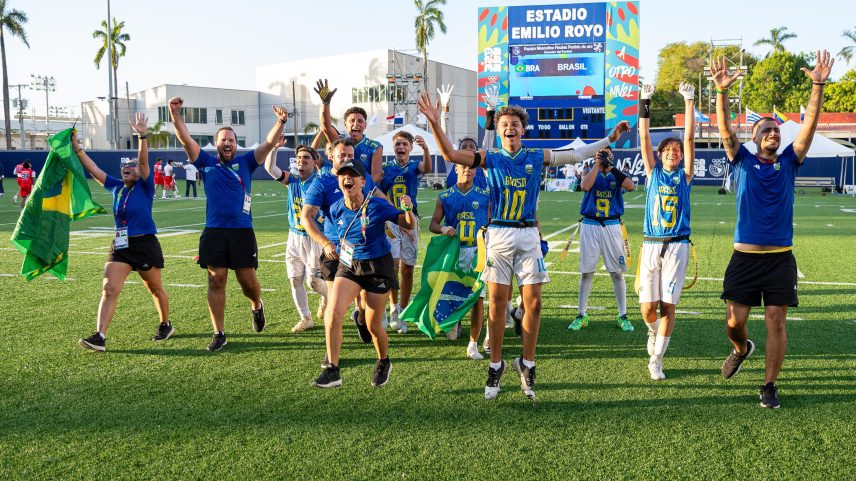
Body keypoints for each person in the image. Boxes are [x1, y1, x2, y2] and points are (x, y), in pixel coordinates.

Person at [419, 91, 629, 400]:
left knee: (534, 303)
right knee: (498, 304)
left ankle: (526, 364)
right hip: (500, 236)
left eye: (515, 123)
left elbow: (574, 155)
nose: (509, 128)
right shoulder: (490, 158)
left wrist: (609, 138)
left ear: (523, 128)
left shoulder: (535, 155)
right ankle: (496, 366)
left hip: (529, 234)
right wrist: (436, 123)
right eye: (504, 123)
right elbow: (451, 155)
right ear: (499, 128)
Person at [712, 51, 833, 409]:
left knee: (776, 321)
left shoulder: (789, 161)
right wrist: (721, 94)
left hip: (780, 259)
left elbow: (808, 126)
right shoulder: (742, 159)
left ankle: (768, 385)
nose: (773, 132)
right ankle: (740, 348)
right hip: (744, 257)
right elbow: (724, 131)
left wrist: (817, 85)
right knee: (734, 323)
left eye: (776, 129)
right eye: (766, 129)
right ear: (754, 138)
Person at [169, 96, 288, 351]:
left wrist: (281, 121)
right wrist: (175, 114)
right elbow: (185, 139)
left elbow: (268, 143)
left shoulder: (246, 162)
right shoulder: (205, 161)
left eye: (231, 140)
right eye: (223, 140)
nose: (227, 143)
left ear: (236, 144)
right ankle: (219, 332)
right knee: (216, 280)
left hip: (242, 232)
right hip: (214, 231)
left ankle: (256, 305)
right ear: (216, 144)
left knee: (248, 282)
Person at [311, 159, 416, 388]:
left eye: (352, 175)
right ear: (339, 182)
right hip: (350, 265)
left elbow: (407, 224)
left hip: (377, 266)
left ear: (362, 181)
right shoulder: (336, 207)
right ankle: (333, 371)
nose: (347, 178)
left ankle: (383, 361)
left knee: (373, 325)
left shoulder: (377, 205)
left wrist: (408, 209)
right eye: (343, 175)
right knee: (333, 312)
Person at [74, 113, 173, 351]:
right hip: (121, 246)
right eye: (124, 166)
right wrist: (78, 150)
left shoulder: (146, 186)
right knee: (109, 288)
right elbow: (94, 169)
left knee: (155, 288)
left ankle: (165, 323)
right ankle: (100, 336)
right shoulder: (116, 187)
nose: (127, 168)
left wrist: (141, 135)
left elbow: (143, 162)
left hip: (144, 244)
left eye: (131, 166)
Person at [637, 82, 696, 381]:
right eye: (668, 149)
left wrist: (689, 101)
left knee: (668, 306)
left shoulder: (686, 177)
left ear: (682, 156)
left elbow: (688, 136)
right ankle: (653, 331)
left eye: (677, 150)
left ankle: (657, 360)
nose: (673, 151)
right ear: (660, 156)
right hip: (650, 244)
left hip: (677, 245)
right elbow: (644, 135)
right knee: (649, 311)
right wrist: (644, 99)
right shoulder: (652, 172)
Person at [302, 138, 379, 347]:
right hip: (335, 251)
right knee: (335, 306)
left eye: (350, 156)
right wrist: (326, 243)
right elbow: (306, 217)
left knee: (364, 299)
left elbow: (380, 200)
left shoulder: (363, 178)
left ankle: (361, 319)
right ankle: (331, 354)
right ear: (331, 157)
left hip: (362, 249)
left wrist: (400, 218)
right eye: (341, 156)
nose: (346, 160)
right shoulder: (322, 183)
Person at [568, 146, 636, 333]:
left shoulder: (616, 174)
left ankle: (622, 315)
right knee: (587, 272)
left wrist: (611, 167)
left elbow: (630, 186)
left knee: (616, 273)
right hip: (591, 224)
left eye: (608, 154)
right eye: (601, 154)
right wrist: (598, 165)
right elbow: (584, 186)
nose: (605, 156)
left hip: (612, 225)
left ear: (613, 156)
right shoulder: (591, 171)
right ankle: (582, 314)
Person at [264, 139, 328, 333]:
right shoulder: (291, 179)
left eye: (306, 158)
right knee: (295, 279)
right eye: (299, 158)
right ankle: (305, 318)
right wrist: (274, 148)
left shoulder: (320, 183)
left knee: (314, 282)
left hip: (313, 236)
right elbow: (270, 167)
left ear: (315, 161)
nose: (301, 161)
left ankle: (329, 297)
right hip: (293, 236)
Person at [429, 162, 491, 359]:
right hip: (454, 254)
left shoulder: (484, 196)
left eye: (472, 167)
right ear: (455, 169)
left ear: (476, 170)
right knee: (452, 293)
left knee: (477, 299)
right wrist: (443, 229)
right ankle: (454, 321)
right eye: (463, 166)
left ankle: (473, 344)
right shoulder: (445, 197)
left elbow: (491, 224)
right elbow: (433, 224)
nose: (467, 169)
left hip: (477, 254)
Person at [380, 131, 432, 333]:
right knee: (392, 265)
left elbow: (426, 167)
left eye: (404, 144)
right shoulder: (386, 169)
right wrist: (395, 214)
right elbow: (380, 192)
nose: (401, 148)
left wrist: (426, 149)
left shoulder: (413, 166)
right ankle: (393, 308)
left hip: (411, 220)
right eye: (398, 144)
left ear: (411, 147)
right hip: (392, 220)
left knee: (408, 268)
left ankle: (403, 310)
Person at [315, 79, 383, 183]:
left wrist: (358, 189)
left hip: (365, 192)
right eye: (352, 121)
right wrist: (326, 102)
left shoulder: (375, 146)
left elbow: (376, 176)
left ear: (365, 125)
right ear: (345, 124)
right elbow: (326, 127)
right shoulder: (340, 143)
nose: (356, 124)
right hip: (345, 191)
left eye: (360, 121)